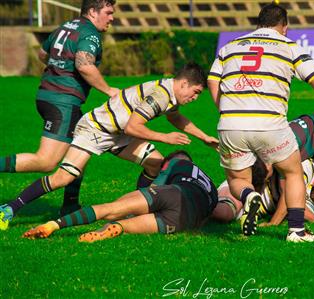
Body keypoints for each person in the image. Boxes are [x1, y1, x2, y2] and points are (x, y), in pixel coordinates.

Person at [0, 63, 219, 230]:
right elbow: (134, 127)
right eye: (196, 92)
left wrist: (204, 137)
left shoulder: (170, 92)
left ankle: (133, 207)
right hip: (95, 129)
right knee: (62, 178)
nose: (195, 97)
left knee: (155, 163)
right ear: (184, 84)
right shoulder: (161, 95)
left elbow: (175, 118)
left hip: (118, 133)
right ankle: (10, 208)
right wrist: (165, 137)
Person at [207, 3, 314, 242]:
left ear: (258, 23)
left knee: (238, 180)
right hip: (269, 124)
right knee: (293, 171)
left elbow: (213, 81)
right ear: (284, 26)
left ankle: (248, 196)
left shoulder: (230, 46)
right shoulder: (288, 45)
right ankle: (296, 231)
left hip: (230, 124)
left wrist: (225, 109)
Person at [0, 0, 119, 216]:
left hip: (46, 95)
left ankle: (70, 204)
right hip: (63, 102)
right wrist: (109, 90)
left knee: (82, 148)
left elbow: (43, 54)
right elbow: (84, 65)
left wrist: (58, 67)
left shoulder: (66, 26)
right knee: (46, 161)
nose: (112, 18)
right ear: (93, 11)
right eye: (108, 12)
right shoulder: (90, 34)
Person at [22, 150, 218, 242]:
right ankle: (114, 228)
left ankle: (54, 225)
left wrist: (139, 199)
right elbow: (207, 215)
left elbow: (157, 186)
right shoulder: (212, 187)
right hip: (185, 219)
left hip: (176, 194)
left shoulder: (176, 163)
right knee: (124, 225)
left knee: (112, 209)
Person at [212, 158, 314, 224]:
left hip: (253, 208)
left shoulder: (311, 199)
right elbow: (294, 204)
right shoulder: (306, 166)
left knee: (224, 216)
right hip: (245, 185)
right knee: (222, 211)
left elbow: (303, 211)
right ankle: (197, 200)